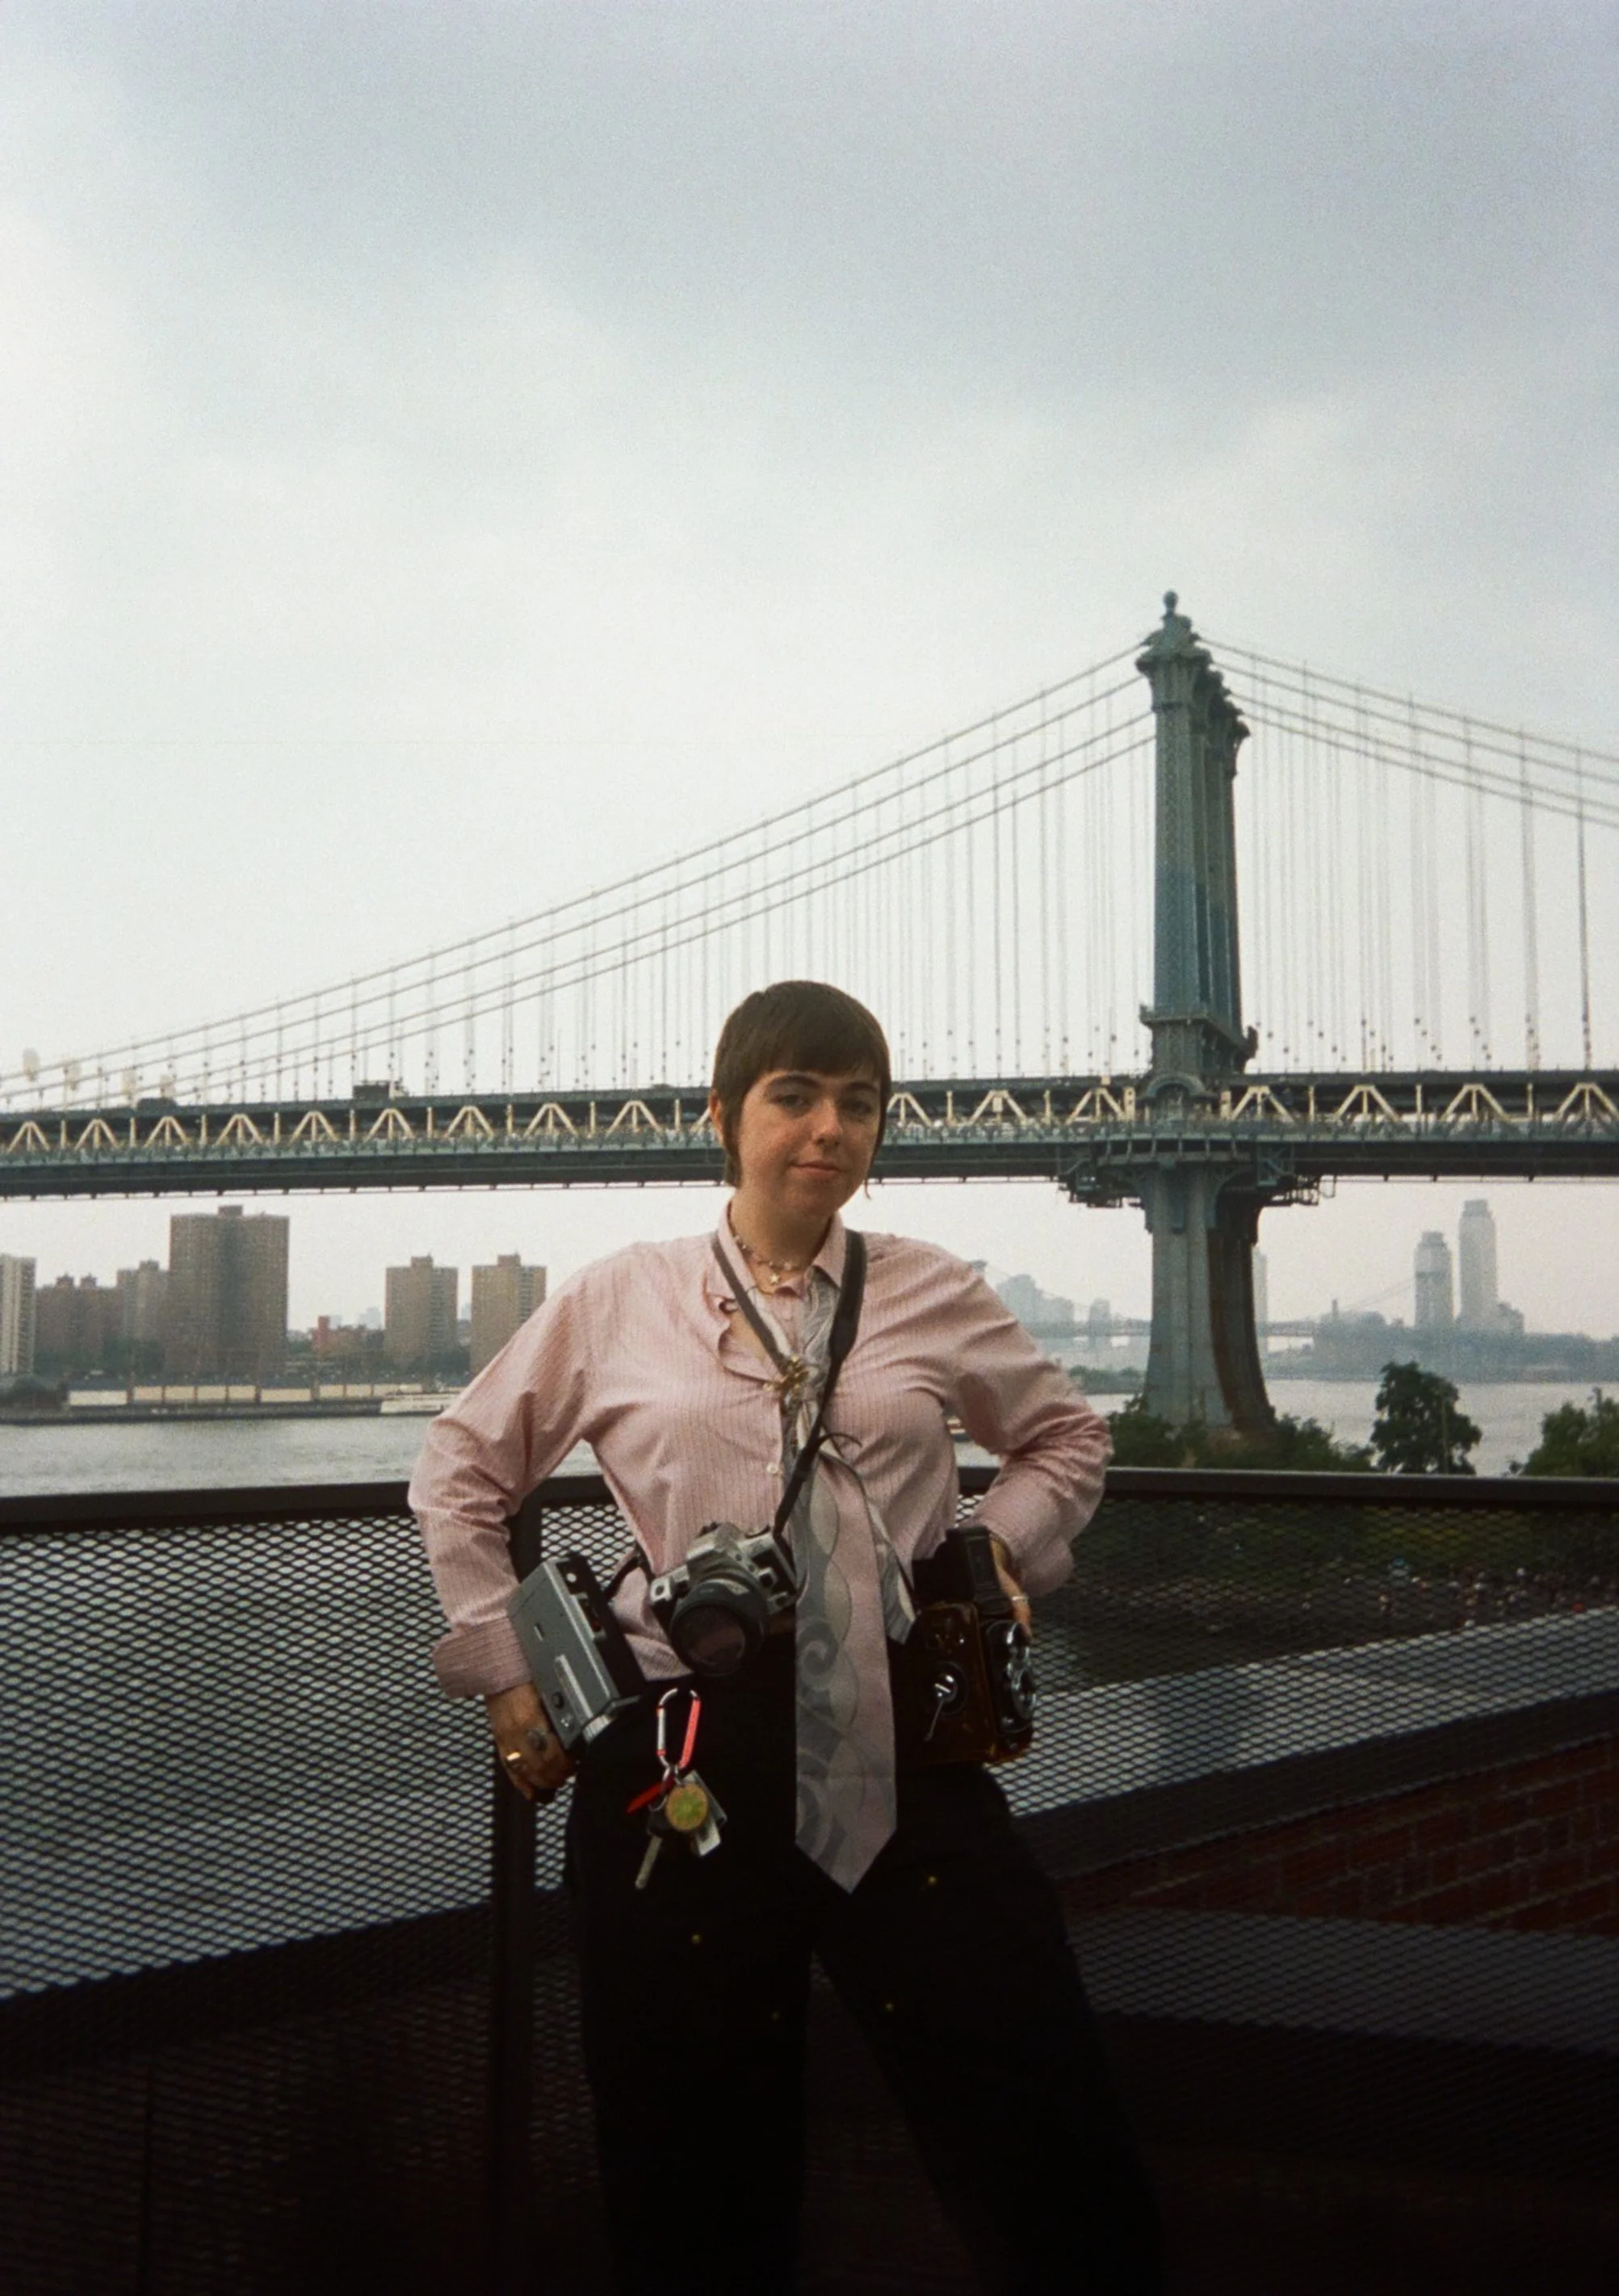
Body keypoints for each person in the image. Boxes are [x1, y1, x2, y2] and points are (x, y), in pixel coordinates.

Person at [412, 980, 1161, 2295]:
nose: (829, 1128)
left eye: (858, 1103)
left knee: (1040, 2116)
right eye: (794, 1096)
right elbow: (462, 1467)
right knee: (691, 2166)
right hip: (685, 1759)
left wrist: (998, 1547)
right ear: (723, 1115)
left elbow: (1065, 1436)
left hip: (902, 1742)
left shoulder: (931, 1288)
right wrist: (503, 1663)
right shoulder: (622, 1297)